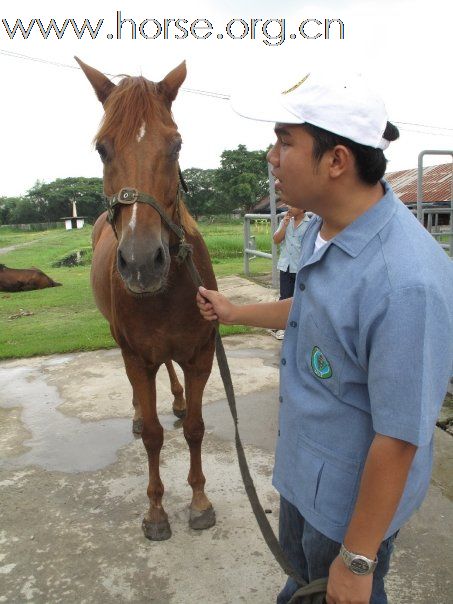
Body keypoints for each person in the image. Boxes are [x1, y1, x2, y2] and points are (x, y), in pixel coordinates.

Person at [196, 72, 453, 604]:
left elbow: (401, 435)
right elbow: (317, 310)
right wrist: (236, 312)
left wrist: (358, 560)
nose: (271, 155)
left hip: (349, 509)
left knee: (338, 591)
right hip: (303, 474)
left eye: (285, 141)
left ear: (336, 161)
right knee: (301, 584)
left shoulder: (406, 282)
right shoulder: (321, 227)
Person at [270, 206, 311, 340]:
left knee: (299, 298)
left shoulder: (309, 224)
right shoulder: (285, 221)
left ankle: (297, 327)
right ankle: (280, 327)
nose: (289, 208)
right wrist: (284, 225)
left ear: (302, 208)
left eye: (293, 205)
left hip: (300, 266)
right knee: (285, 297)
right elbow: (276, 240)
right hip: (286, 265)